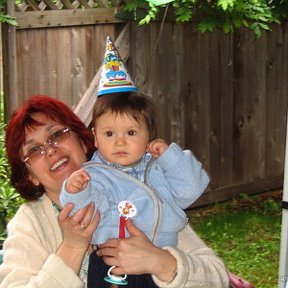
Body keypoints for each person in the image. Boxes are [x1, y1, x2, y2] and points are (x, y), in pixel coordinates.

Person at [0, 94, 229, 288]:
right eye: (34, 149)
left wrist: (162, 262)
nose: (50, 150)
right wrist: (73, 246)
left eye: (56, 135)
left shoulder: (141, 187)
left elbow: (217, 277)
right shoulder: (30, 224)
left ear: (83, 141)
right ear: (30, 175)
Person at [60, 91, 210, 250]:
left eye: (131, 133)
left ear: (149, 135)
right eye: (109, 133)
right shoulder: (94, 177)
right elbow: (85, 215)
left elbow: (190, 191)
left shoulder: (158, 167)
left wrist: (170, 159)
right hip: (116, 260)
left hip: (163, 254)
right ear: (95, 137)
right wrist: (77, 193)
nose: (120, 142)